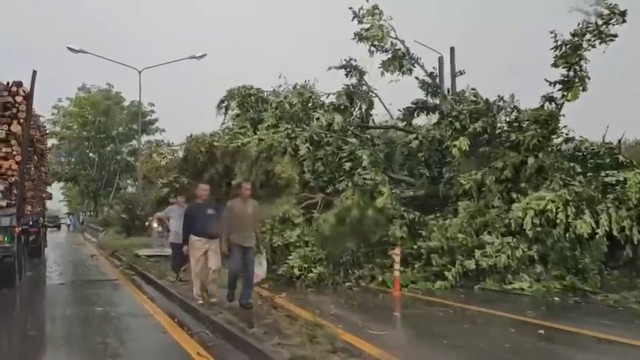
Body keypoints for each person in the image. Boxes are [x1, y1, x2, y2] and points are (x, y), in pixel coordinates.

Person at [222, 180, 262, 310]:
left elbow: (257, 224)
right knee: (235, 269)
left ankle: (245, 299)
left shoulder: (254, 205)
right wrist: (224, 242)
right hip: (236, 241)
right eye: (245, 189)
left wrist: (260, 242)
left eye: (249, 189)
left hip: (250, 242)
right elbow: (226, 224)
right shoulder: (232, 204)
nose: (247, 192)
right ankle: (231, 289)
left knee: (249, 273)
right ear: (239, 190)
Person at [182, 183, 224, 304]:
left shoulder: (214, 207)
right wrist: (185, 243)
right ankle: (198, 295)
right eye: (203, 190)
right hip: (197, 240)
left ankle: (211, 293)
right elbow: (186, 226)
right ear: (197, 192)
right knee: (198, 269)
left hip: (213, 240)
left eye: (207, 190)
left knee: (214, 267)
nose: (206, 192)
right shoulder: (191, 208)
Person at [154, 195, 187, 282]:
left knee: (185, 256)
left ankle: (181, 273)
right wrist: (167, 223)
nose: (182, 200)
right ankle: (174, 274)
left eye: (183, 198)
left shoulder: (187, 209)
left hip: (186, 236)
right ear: (177, 200)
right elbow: (158, 215)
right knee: (176, 256)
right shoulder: (171, 209)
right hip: (175, 237)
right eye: (180, 198)